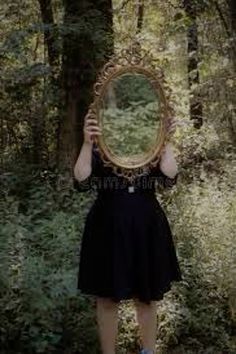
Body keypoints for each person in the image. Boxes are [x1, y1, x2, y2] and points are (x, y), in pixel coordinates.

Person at [73, 116, 182, 354]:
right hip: (107, 227)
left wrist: (166, 141)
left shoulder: (151, 143)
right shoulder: (100, 144)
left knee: (146, 297)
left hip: (146, 226)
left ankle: (148, 351)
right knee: (106, 298)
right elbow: (81, 180)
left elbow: (170, 176)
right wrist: (86, 143)